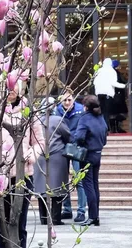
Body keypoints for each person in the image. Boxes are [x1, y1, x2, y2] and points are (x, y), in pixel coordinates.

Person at [0, 82, 45, 248]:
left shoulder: (29, 113)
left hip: (22, 177)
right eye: (6, 86)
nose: (10, 90)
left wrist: (28, 156)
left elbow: (39, 143)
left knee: (20, 225)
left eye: (14, 86)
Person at [34, 98, 70, 226]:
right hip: (57, 157)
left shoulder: (35, 121)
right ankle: (55, 218)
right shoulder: (58, 120)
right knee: (57, 188)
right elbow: (68, 136)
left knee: (41, 188)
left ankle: (43, 218)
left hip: (38, 156)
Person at [74, 95, 108, 226]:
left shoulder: (84, 118)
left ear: (86, 107)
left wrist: (80, 142)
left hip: (87, 154)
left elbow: (79, 136)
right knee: (94, 184)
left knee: (88, 186)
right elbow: (105, 136)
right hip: (98, 153)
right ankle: (96, 216)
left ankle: (92, 217)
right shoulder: (101, 117)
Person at [55, 92, 86, 223]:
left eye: (69, 100)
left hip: (76, 146)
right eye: (64, 101)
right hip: (62, 146)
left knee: (79, 179)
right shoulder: (57, 111)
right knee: (63, 180)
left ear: (73, 99)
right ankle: (67, 209)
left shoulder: (80, 110)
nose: (67, 103)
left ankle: (81, 211)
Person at [93, 58, 125, 131]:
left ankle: (101, 128)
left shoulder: (99, 71)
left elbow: (94, 82)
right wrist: (124, 86)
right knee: (106, 113)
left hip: (99, 94)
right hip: (108, 94)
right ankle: (106, 129)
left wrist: (97, 91)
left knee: (101, 112)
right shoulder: (112, 71)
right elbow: (113, 83)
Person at [109, 60, 127, 133]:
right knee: (119, 113)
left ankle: (114, 128)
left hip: (114, 96)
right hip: (118, 96)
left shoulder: (110, 73)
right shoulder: (116, 73)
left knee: (113, 114)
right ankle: (117, 128)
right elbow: (122, 82)